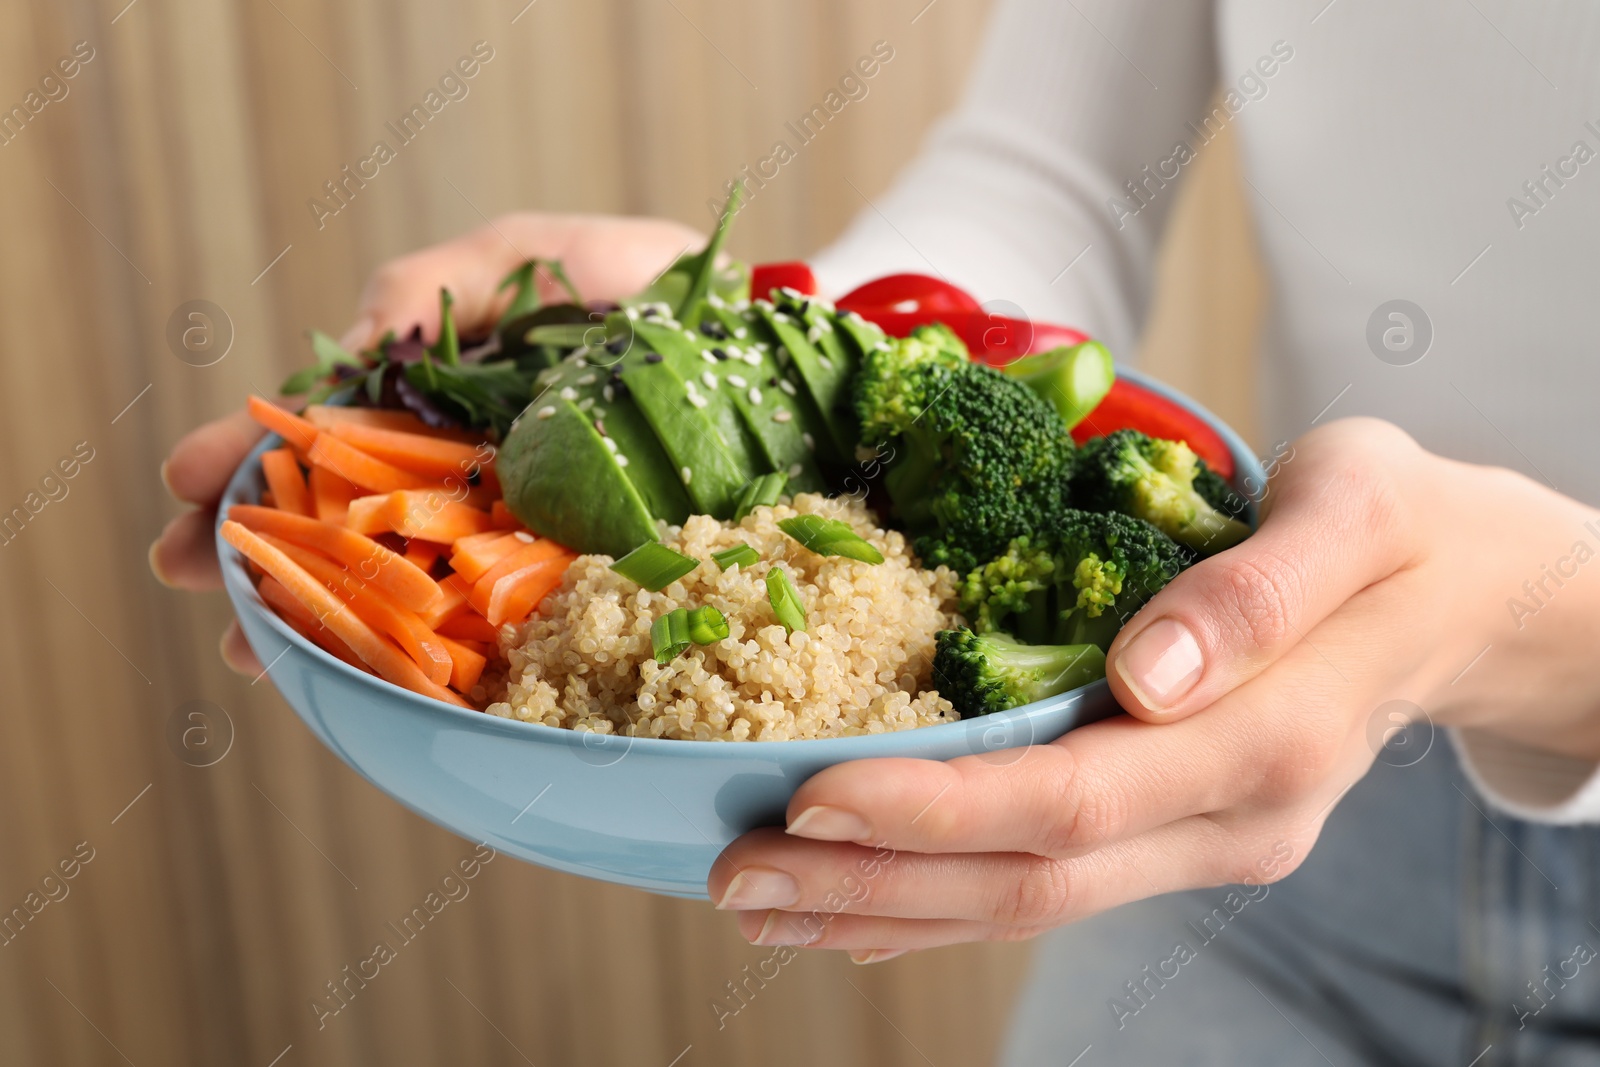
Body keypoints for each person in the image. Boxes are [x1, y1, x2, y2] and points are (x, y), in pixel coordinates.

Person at [153, 2, 1600, 1061]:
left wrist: (1518, 619)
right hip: (1270, 850)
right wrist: (780, 340)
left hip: (1289, 710)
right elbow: (1060, 177)